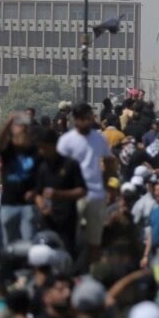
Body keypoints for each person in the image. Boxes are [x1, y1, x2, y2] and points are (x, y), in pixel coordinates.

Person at [57, 103, 111, 262]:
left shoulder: (99, 138)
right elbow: (59, 166)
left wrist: (106, 183)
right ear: (75, 120)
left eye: (89, 118)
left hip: (96, 194)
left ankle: (93, 272)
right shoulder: (67, 141)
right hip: (73, 195)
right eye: (83, 119)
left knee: (95, 241)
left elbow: (109, 161)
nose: (87, 122)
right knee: (70, 238)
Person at [35, 129, 87, 253]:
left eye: (44, 148)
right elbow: (38, 192)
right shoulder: (43, 166)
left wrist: (59, 194)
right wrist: (41, 204)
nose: (41, 151)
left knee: (67, 251)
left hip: (66, 219)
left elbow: (82, 191)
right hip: (47, 220)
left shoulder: (70, 164)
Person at [0, 114, 39, 246]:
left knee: (28, 244)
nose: (21, 130)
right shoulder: (8, 149)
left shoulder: (34, 151)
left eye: (24, 127)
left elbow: (41, 176)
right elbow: (0, 141)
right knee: (8, 246)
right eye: (18, 126)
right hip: (8, 204)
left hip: (28, 205)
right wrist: (10, 120)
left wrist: (36, 192)